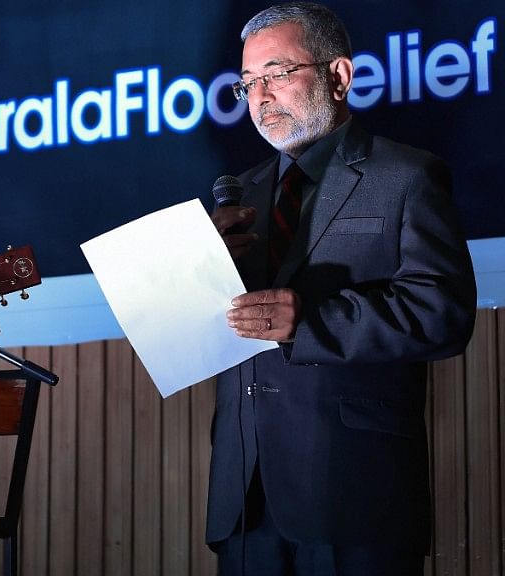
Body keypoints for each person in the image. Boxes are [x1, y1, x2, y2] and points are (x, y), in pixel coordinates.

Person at [209, 3, 476, 574]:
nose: (259, 96)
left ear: (339, 75)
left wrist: (307, 321)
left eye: (277, 73)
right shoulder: (242, 197)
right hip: (246, 496)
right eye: (248, 83)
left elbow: (443, 312)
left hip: (354, 490)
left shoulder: (405, 176)